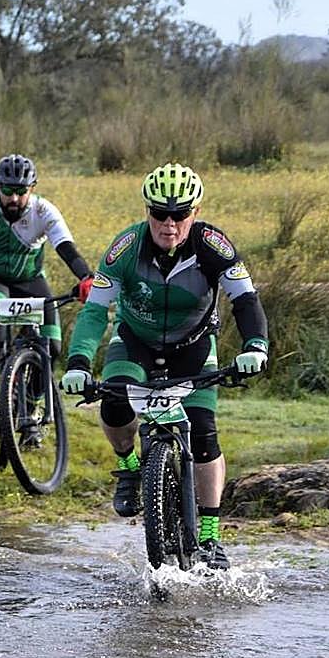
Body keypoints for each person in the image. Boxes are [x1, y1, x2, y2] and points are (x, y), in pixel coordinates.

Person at [60, 162, 269, 570]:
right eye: (159, 214)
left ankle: (209, 535)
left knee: (204, 433)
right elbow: (95, 311)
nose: (169, 224)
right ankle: (127, 466)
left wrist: (255, 347)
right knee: (114, 403)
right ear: (147, 212)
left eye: (179, 214)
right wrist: (79, 363)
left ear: (195, 212)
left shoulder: (213, 245)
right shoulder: (125, 248)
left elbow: (246, 299)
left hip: (193, 346)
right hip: (135, 342)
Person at [0, 154, 94, 415]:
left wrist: (86, 277)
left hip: (30, 280)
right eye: (8, 190)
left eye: (21, 191)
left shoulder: (44, 211)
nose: (14, 198)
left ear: (32, 189)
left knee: (51, 347)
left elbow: (67, 249)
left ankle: (29, 407)